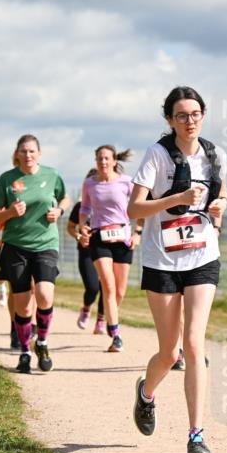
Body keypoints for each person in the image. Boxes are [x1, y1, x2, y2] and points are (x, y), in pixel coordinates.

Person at [127, 86, 227, 453]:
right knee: (170, 351)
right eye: (182, 115)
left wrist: (220, 205)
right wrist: (175, 199)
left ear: (203, 115)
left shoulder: (215, 154)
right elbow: (134, 208)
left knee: (194, 342)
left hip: (203, 255)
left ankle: (196, 437)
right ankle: (147, 393)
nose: (190, 121)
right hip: (161, 261)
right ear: (170, 120)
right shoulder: (157, 155)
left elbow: (223, 194)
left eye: (195, 114)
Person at [0, 134, 70, 374]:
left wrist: (60, 210)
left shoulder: (51, 175)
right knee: (22, 306)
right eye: (23, 151)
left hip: (45, 243)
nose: (28, 155)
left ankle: (41, 342)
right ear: (17, 154)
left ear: (39, 154)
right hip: (16, 246)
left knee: (44, 294)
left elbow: (65, 197)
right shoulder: (7, 179)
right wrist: (9, 213)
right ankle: (25, 352)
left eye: (32, 151)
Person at [77, 146, 140, 352]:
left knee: (120, 291)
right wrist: (82, 226)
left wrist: (137, 232)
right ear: (95, 161)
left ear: (114, 161)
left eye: (106, 158)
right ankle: (116, 335)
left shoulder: (126, 182)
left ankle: (104, 316)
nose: (103, 162)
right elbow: (85, 208)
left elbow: (140, 205)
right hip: (99, 237)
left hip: (123, 238)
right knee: (109, 287)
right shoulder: (89, 184)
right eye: (99, 159)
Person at [66, 195, 105, 334]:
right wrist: (78, 236)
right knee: (92, 287)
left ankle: (101, 319)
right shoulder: (81, 206)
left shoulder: (110, 203)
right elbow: (70, 227)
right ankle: (86, 308)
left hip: (106, 251)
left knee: (106, 287)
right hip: (86, 252)